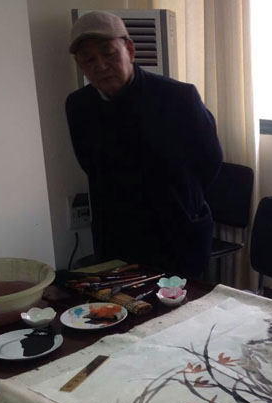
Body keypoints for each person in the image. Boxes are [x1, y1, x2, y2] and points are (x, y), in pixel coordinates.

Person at [66, 11, 222, 277]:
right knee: (118, 303)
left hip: (177, 234)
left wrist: (181, 201)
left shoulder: (179, 98)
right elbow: (89, 164)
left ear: (129, 49)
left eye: (109, 53)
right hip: (116, 237)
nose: (100, 66)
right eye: (88, 59)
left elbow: (210, 160)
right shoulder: (78, 106)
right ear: (80, 65)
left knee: (184, 303)